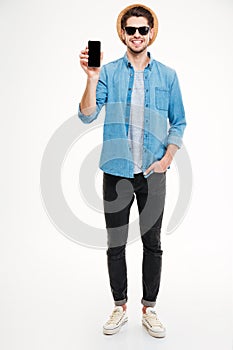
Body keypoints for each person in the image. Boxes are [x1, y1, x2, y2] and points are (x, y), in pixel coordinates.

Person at [78, 4, 186, 338]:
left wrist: (167, 158)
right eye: (131, 30)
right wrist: (91, 79)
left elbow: (178, 121)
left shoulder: (167, 75)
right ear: (122, 34)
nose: (136, 35)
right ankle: (119, 306)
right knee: (116, 243)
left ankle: (149, 309)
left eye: (142, 30)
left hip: (153, 173)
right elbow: (86, 114)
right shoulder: (108, 72)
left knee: (152, 243)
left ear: (151, 32)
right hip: (117, 172)